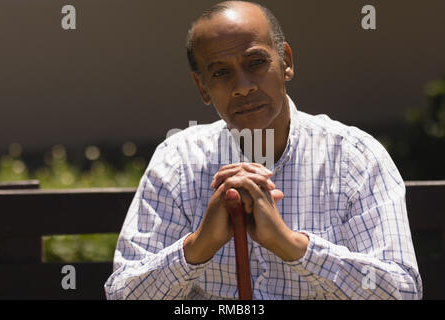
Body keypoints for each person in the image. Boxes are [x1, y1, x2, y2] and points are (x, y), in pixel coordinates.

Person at [104, 1, 422, 299]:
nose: (243, 86)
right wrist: (200, 245)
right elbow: (121, 292)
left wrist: (292, 245)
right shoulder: (178, 162)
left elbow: (402, 290)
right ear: (202, 86)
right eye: (220, 72)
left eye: (256, 62)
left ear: (286, 62)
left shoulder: (354, 158)